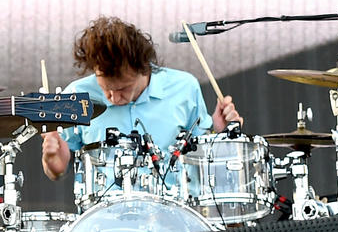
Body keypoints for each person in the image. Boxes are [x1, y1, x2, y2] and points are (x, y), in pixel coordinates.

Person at [41, 16, 243, 187]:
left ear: (144, 68)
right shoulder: (75, 96)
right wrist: (54, 165)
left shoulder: (184, 87)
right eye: (105, 89)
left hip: (175, 218)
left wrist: (221, 137)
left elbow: (204, 162)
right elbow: (58, 169)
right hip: (104, 222)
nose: (113, 97)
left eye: (123, 89)